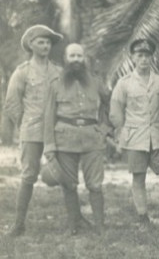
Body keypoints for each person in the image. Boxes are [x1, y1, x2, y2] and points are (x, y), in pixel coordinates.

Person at [43, 44, 110, 235]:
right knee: (69, 184)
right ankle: (74, 225)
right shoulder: (55, 84)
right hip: (65, 138)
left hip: (92, 138)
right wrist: (49, 146)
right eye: (72, 56)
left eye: (79, 56)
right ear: (65, 58)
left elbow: (109, 104)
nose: (76, 60)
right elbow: (48, 116)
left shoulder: (96, 82)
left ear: (84, 59)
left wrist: (105, 129)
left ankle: (100, 225)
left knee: (95, 185)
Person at [5, 25, 63, 237]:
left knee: (66, 174)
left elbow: (66, 98)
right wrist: (25, 123)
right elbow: (12, 102)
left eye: (48, 42)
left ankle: (76, 220)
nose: (46, 45)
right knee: (28, 175)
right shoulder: (22, 72)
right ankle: (19, 224)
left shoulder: (58, 70)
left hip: (57, 131)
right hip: (32, 131)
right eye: (41, 41)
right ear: (31, 45)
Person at [110, 39, 159, 228]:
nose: (144, 59)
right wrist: (121, 133)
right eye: (140, 55)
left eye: (147, 55)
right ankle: (143, 216)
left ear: (152, 57)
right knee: (138, 176)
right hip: (135, 137)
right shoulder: (124, 83)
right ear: (133, 57)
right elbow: (116, 110)